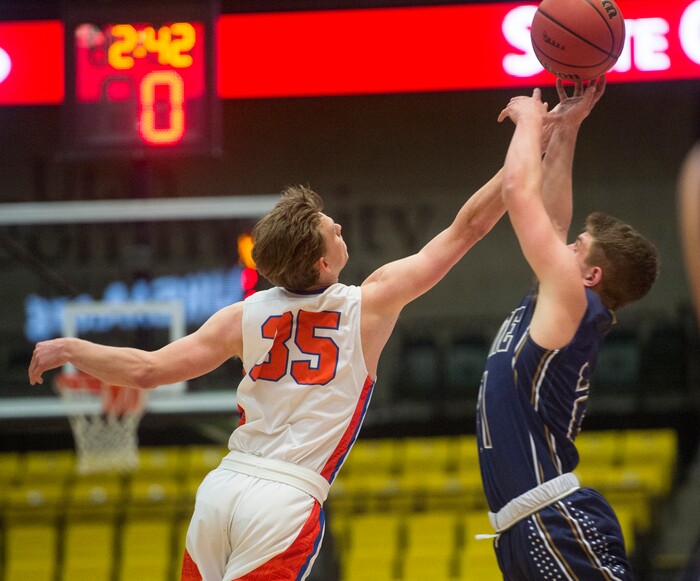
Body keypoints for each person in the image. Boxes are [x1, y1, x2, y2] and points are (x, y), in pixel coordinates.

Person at [28, 162, 508, 578]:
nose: (340, 227)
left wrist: (73, 347)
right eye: (334, 231)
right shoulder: (371, 302)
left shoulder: (243, 316)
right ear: (323, 262)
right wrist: (529, 149)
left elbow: (147, 371)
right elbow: (467, 229)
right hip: (284, 499)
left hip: (222, 489)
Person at [475, 77, 660, 580]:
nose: (566, 246)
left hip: (553, 522)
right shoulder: (567, 298)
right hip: (528, 525)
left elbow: (520, 191)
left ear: (591, 274)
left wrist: (529, 124)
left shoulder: (573, 301)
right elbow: (554, 224)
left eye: (578, 247)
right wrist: (569, 128)